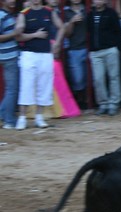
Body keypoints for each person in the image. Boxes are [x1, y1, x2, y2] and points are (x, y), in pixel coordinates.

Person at [15, 0, 64, 130]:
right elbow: (18, 36)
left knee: (44, 85)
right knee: (26, 85)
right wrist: (35, 35)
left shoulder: (49, 11)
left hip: (45, 54)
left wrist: (57, 43)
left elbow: (62, 27)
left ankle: (39, 117)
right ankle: (22, 117)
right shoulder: (24, 13)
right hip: (29, 54)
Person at [87, 0, 121, 116]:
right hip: (95, 52)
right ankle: (103, 103)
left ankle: (114, 103)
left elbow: (118, 31)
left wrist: (119, 48)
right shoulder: (90, 15)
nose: (97, 1)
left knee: (114, 77)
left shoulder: (111, 13)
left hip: (110, 49)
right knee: (98, 79)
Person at [0, 0, 21, 130]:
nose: (12, 1)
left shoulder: (7, 14)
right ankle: (9, 121)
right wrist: (15, 33)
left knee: (11, 89)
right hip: (8, 56)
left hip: (8, 55)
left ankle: (3, 114)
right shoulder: (2, 15)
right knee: (12, 89)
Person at [64, 0, 88, 110]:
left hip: (88, 47)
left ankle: (84, 100)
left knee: (88, 78)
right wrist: (72, 21)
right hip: (74, 49)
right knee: (77, 78)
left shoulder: (87, 9)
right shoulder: (66, 12)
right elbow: (67, 34)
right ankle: (78, 99)